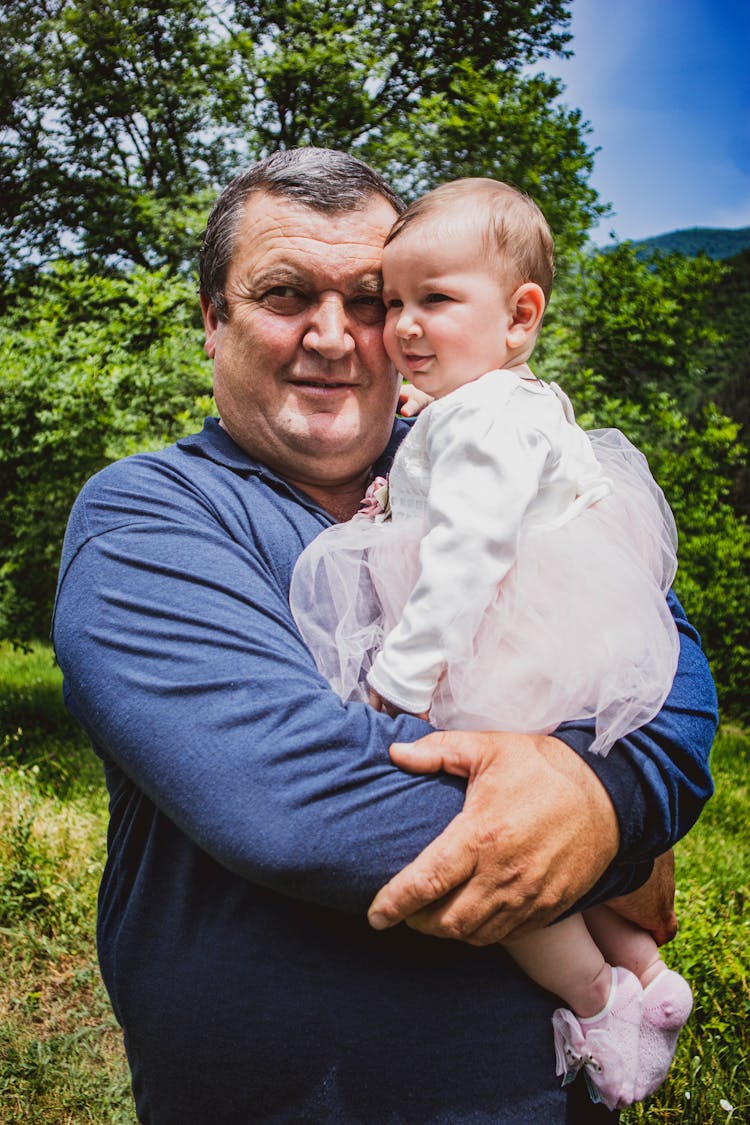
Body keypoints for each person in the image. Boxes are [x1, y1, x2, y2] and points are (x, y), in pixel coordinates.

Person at [51, 148, 717, 1124]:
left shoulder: (476, 457)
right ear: (211, 320)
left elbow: (671, 674)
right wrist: (615, 822)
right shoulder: (150, 518)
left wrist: (601, 798)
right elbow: (303, 804)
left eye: (370, 300)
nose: (335, 336)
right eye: (284, 295)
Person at [289, 178, 693, 1110]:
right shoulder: (491, 405)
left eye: (434, 300)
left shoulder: (479, 419)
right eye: (392, 302)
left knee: (491, 842)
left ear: (520, 318)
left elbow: (466, 559)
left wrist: (399, 678)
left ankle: (596, 1002)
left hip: (500, 644)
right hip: (554, 636)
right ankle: (639, 965)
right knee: (554, 841)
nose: (401, 328)